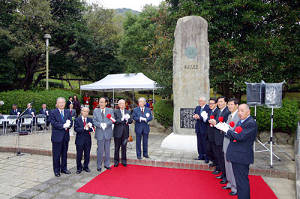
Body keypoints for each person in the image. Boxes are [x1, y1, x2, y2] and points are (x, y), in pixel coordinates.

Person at [216, 104, 257, 199]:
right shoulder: (241, 122)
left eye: (242, 111)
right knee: (239, 181)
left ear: (248, 112)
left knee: (242, 182)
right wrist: (226, 129)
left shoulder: (250, 123)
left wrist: (227, 130)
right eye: (239, 111)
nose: (240, 113)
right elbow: (234, 135)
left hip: (242, 157)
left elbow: (240, 136)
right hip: (236, 155)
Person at [50, 97, 73, 177]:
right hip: (57, 137)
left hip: (65, 137)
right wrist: (63, 125)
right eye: (60, 102)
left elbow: (71, 121)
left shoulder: (67, 111)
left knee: (64, 153)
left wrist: (69, 125)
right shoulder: (53, 112)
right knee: (56, 154)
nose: (62, 104)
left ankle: (64, 168)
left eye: (63, 102)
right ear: (57, 104)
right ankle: (56, 170)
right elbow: (53, 123)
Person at [210, 96, 230, 184]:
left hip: (222, 138)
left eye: (221, 102)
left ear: (225, 103)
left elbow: (225, 125)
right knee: (219, 157)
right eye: (218, 102)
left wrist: (216, 123)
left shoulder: (227, 112)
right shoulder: (218, 111)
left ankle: (226, 176)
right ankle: (222, 173)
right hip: (216, 137)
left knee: (223, 158)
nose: (219, 103)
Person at [222, 98, 240, 196]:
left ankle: (235, 187)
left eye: (231, 104)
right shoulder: (229, 115)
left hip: (232, 144)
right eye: (228, 104)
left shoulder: (238, 116)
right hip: (226, 143)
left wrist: (226, 129)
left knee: (233, 167)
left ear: (236, 105)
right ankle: (229, 183)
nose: (229, 106)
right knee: (227, 165)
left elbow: (235, 131)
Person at [93, 97, 114, 172]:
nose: (101, 103)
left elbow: (112, 120)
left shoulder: (110, 110)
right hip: (99, 133)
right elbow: (94, 121)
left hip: (108, 132)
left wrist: (106, 124)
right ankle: (99, 165)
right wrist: (100, 125)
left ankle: (107, 164)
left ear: (106, 103)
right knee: (100, 150)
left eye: (102, 102)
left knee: (107, 150)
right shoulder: (96, 111)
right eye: (100, 102)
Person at [113, 99, 133, 167]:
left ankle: (124, 161)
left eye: (123, 104)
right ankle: (116, 161)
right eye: (120, 104)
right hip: (117, 132)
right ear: (118, 105)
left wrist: (127, 119)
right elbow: (114, 121)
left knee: (124, 147)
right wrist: (122, 119)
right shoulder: (115, 112)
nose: (122, 105)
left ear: (125, 105)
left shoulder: (128, 111)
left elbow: (130, 121)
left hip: (125, 133)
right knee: (117, 148)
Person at [74, 107, 94, 174]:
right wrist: (84, 128)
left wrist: (89, 128)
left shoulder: (90, 119)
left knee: (87, 154)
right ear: (81, 112)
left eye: (87, 112)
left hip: (87, 140)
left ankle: (86, 166)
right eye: (84, 111)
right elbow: (76, 129)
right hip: (79, 140)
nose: (86, 113)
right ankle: (79, 168)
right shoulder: (77, 119)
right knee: (79, 154)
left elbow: (92, 129)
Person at [193, 97, 210, 163]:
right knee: (199, 143)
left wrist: (200, 117)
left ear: (204, 102)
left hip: (205, 128)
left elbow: (208, 118)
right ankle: (200, 156)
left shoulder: (207, 108)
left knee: (205, 143)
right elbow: (195, 114)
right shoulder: (197, 107)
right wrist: (195, 116)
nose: (199, 102)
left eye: (201, 101)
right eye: (199, 101)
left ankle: (206, 157)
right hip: (198, 128)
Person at [206, 98, 219, 169]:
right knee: (209, 150)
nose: (210, 105)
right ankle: (214, 162)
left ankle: (217, 165)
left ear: (216, 104)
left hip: (215, 135)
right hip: (209, 134)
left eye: (212, 104)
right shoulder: (210, 111)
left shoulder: (218, 111)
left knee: (216, 151)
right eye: (209, 104)